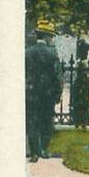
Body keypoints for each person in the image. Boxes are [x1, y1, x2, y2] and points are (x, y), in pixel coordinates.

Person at [25, 19, 63, 161]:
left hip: (31, 92)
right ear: (47, 37)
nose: (52, 39)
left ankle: (34, 152)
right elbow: (57, 75)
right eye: (51, 36)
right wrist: (58, 93)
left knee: (32, 121)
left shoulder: (28, 52)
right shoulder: (52, 53)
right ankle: (44, 150)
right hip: (47, 94)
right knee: (46, 121)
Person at [70, 39, 89, 129]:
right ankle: (82, 120)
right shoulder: (83, 64)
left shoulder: (79, 63)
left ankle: (79, 120)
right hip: (82, 85)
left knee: (79, 99)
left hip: (79, 85)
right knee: (83, 99)